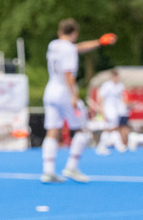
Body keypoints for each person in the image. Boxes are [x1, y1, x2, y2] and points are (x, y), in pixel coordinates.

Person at [40, 18, 117, 183]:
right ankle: (72, 166)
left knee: (52, 130)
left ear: (60, 32)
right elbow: (68, 73)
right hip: (64, 93)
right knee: (82, 129)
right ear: (74, 33)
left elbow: (78, 48)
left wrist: (98, 42)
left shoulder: (53, 45)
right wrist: (74, 95)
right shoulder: (69, 50)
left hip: (50, 91)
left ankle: (48, 171)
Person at [95, 69, 129, 154]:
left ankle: (106, 145)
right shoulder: (107, 86)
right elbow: (101, 97)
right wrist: (101, 109)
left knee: (113, 128)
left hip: (117, 110)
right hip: (108, 109)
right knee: (110, 128)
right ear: (112, 77)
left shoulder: (120, 86)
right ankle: (105, 146)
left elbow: (123, 97)